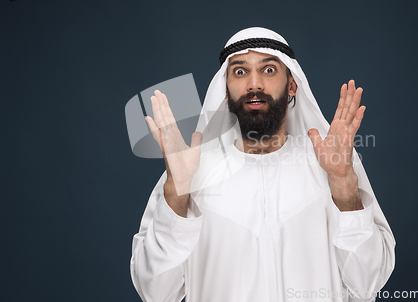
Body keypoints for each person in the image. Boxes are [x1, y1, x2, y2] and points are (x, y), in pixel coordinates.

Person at [130, 27, 395, 302]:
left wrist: (342, 185)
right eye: (240, 72)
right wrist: (177, 191)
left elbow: (368, 282)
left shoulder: (332, 165)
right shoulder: (190, 172)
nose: (254, 84)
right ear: (224, 87)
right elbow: (156, 292)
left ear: (292, 84)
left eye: (268, 70)